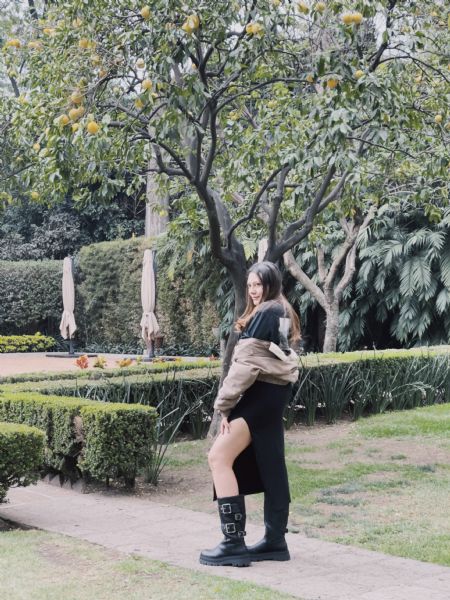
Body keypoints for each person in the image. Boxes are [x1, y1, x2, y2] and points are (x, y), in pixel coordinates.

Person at [199, 261, 301, 567]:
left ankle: (233, 543)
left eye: (259, 284)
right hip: (272, 396)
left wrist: (223, 406)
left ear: (272, 284)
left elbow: (245, 365)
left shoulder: (269, 311)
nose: (254, 291)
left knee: (218, 456)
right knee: (272, 463)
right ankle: (274, 541)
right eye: (250, 285)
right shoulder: (282, 310)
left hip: (261, 395)